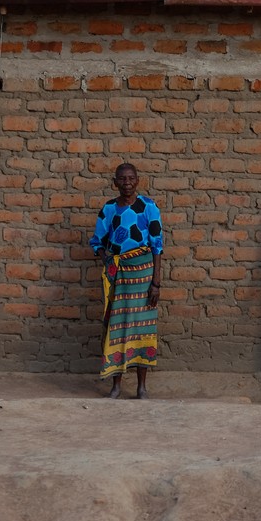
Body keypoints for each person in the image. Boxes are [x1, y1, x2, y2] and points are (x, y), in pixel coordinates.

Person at [89, 162, 163, 399]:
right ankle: (117, 385)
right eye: (122, 179)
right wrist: (107, 261)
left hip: (144, 274)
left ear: (138, 180)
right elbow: (97, 241)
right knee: (117, 328)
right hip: (118, 276)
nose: (127, 182)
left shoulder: (148, 207)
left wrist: (156, 282)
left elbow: (157, 245)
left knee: (143, 329)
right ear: (115, 182)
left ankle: (141, 386)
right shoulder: (109, 209)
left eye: (131, 178)